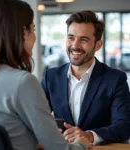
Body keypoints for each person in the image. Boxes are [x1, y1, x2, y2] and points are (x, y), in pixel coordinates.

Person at [0, 0, 92, 150]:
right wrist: (82, 144)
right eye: (32, 29)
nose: (34, 37)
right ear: (23, 33)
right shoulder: (22, 82)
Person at [41, 10, 130, 145]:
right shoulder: (50, 77)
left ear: (98, 45)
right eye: (71, 37)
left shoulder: (115, 79)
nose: (75, 45)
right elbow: (38, 118)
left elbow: (124, 126)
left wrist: (89, 135)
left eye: (83, 39)